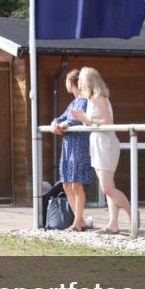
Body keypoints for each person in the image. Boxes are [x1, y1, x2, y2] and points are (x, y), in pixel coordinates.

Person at [71, 67, 136, 234]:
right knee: (108, 186)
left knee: (107, 188)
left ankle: (133, 214)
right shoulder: (92, 99)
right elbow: (93, 122)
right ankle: (113, 224)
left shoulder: (99, 97)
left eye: (81, 81)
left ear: (88, 82)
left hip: (105, 143)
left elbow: (107, 122)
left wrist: (86, 118)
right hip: (98, 143)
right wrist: (83, 118)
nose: (79, 84)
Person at [50, 69, 91, 230]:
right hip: (67, 146)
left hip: (79, 145)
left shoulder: (85, 101)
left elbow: (77, 121)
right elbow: (61, 117)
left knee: (76, 184)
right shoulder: (72, 103)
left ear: (71, 83)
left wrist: (64, 125)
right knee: (66, 184)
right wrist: (55, 123)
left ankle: (77, 223)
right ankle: (79, 220)